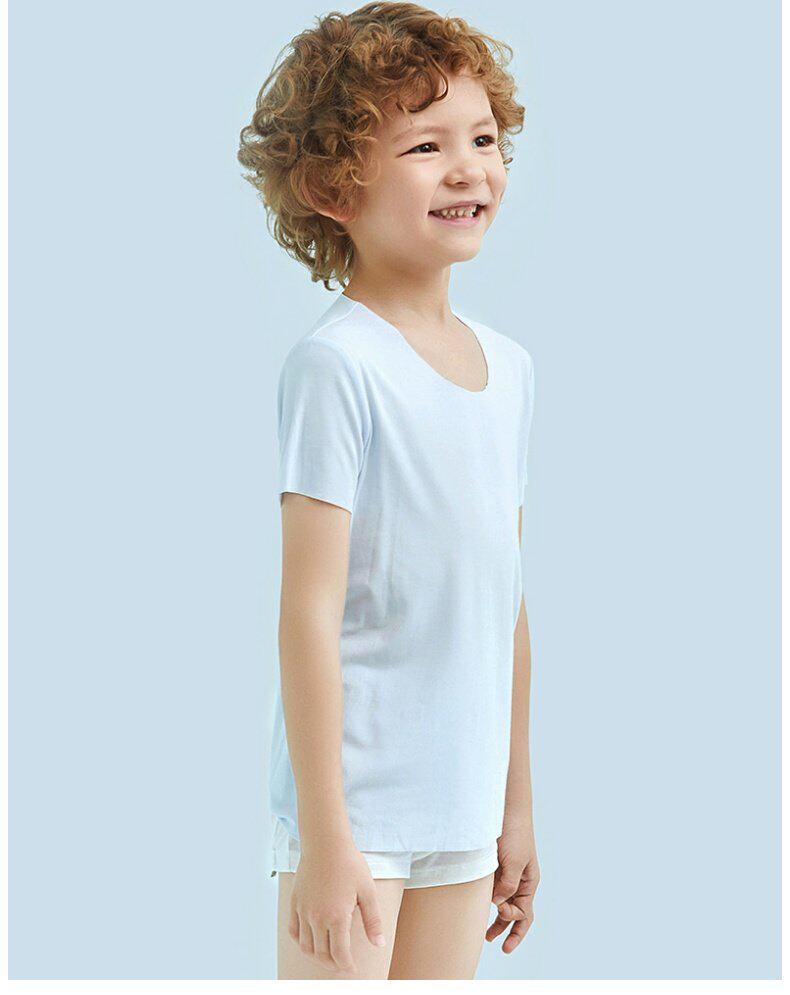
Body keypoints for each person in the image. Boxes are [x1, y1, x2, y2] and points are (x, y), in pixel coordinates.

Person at [238, 1, 539, 980]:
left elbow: (504, 602)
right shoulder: (338, 366)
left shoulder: (510, 369)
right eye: (424, 146)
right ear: (331, 186)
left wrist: (515, 806)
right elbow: (308, 610)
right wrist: (327, 838)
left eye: (482, 139)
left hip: (464, 807)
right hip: (356, 814)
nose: (468, 169)